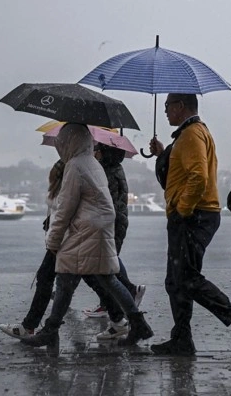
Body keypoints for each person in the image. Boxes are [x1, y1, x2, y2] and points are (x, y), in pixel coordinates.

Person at [21, 123, 153, 356]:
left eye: (62, 141)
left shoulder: (75, 166)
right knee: (102, 279)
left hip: (84, 232)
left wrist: (53, 240)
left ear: (69, 142)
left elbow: (65, 208)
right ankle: (138, 324)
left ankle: (50, 330)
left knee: (67, 281)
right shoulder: (93, 163)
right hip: (97, 229)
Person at [147, 93, 231, 356]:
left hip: (194, 214)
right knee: (175, 280)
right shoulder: (189, 134)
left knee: (186, 277)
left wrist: (182, 210)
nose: (165, 112)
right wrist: (163, 153)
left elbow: (198, 176)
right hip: (192, 213)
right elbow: (184, 172)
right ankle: (181, 338)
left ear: (180, 106)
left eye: (167, 107)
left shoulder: (192, 134)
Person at [82, 143, 146, 340]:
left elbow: (101, 200)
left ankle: (124, 310)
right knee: (109, 263)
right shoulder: (113, 169)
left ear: (105, 153)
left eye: (98, 150)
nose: (95, 153)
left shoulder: (107, 172)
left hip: (110, 224)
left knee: (104, 270)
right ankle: (122, 303)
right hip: (116, 223)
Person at [0, 159, 65, 339]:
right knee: (85, 280)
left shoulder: (66, 185)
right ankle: (122, 314)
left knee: (47, 279)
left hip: (63, 240)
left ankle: (33, 327)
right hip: (67, 239)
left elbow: (64, 213)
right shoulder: (68, 182)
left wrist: (53, 239)